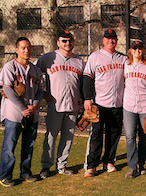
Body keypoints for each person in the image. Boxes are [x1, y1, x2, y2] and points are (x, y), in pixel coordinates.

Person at [37, 30, 85, 178]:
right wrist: (43, 93)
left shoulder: (79, 61)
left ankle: (62, 166)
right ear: (58, 42)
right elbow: (34, 74)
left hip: (73, 105)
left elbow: (84, 83)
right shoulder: (48, 58)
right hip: (55, 105)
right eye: (64, 41)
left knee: (68, 137)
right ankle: (46, 166)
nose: (67, 43)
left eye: (70, 40)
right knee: (51, 136)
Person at [0, 37, 45, 187]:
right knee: (9, 146)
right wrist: (22, 108)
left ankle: (25, 172)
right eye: (23, 47)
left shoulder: (36, 69)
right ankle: (5, 175)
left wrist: (35, 105)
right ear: (16, 50)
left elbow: (40, 91)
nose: (26, 50)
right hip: (14, 113)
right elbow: (7, 89)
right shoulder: (9, 67)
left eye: (29, 47)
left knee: (29, 145)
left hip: (32, 113)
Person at [83, 29, 127, 177]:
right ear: (103, 40)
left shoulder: (123, 58)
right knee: (96, 135)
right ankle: (91, 165)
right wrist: (87, 98)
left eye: (113, 38)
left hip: (117, 103)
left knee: (113, 134)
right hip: (99, 103)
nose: (111, 41)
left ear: (117, 40)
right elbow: (87, 79)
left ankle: (108, 161)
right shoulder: (95, 57)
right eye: (108, 38)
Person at [123, 41, 146, 178]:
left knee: (143, 135)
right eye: (135, 48)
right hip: (129, 105)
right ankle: (132, 167)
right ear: (130, 50)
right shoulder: (125, 64)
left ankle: (141, 163)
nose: (137, 51)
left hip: (144, 104)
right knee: (130, 135)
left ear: (143, 50)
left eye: (140, 48)